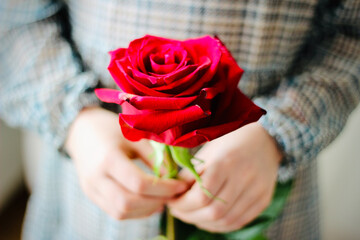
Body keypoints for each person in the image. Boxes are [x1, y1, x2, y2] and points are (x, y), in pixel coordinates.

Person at [0, 0, 359, 239]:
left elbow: (351, 33)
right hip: (91, 182)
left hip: (259, 180)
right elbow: (13, 22)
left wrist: (278, 134)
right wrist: (76, 122)